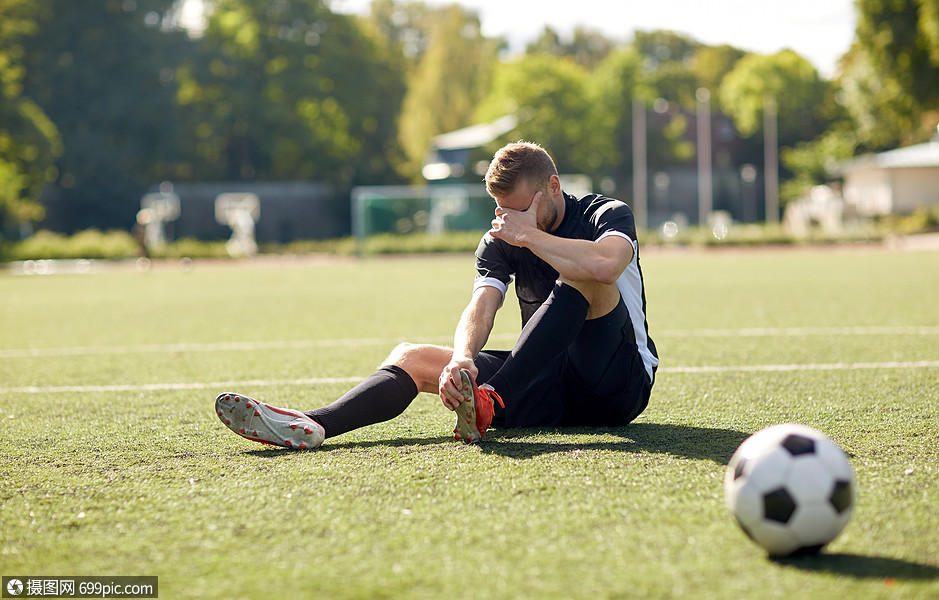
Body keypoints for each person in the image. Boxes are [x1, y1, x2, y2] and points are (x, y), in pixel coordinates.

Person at [215, 141, 658, 450]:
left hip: (616, 386)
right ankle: (313, 423)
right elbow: (482, 304)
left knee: (584, 276)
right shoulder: (502, 235)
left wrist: (529, 236)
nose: (507, 221)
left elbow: (605, 265)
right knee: (412, 355)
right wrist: (463, 359)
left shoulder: (605, 212)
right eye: (500, 210)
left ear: (554, 187)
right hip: (545, 383)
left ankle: (490, 399)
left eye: (519, 209)